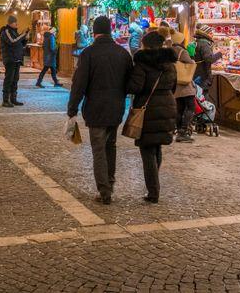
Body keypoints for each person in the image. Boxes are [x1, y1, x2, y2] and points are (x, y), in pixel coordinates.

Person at [67, 15, 133, 205]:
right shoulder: (123, 54)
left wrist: (72, 108)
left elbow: (79, 84)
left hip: (96, 109)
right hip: (116, 109)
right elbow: (130, 83)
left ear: (94, 32)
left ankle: (104, 191)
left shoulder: (88, 53)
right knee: (110, 147)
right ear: (110, 31)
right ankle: (109, 184)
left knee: (98, 150)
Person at [128, 30, 178, 203]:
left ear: (146, 45)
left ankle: (153, 192)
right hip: (168, 105)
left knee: (147, 149)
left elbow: (135, 86)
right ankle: (154, 185)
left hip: (148, 108)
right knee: (157, 147)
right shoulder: (170, 63)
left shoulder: (142, 63)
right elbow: (174, 86)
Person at [171, 31, 197, 142]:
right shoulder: (182, 51)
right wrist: (193, 61)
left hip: (176, 83)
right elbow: (190, 63)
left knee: (179, 108)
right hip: (185, 84)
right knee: (191, 107)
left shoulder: (170, 50)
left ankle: (179, 131)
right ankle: (183, 131)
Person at [0, 16, 29, 107]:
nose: (17, 24)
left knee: (15, 79)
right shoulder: (6, 31)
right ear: (10, 23)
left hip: (17, 58)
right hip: (10, 59)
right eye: (15, 22)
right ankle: (5, 100)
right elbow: (13, 42)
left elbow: (20, 44)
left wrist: (25, 38)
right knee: (9, 79)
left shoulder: (14, 32)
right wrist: (22, 35)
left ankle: (13, 99)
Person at [192, 26, 221, 93]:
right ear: (206, 34)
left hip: (196, 74)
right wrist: (220, 53)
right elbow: (209, 59)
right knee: (203, 96)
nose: (212, 35)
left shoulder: (197, 42)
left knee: (199, 94)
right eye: (211, 33)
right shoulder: (204, 44)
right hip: (202, 76)